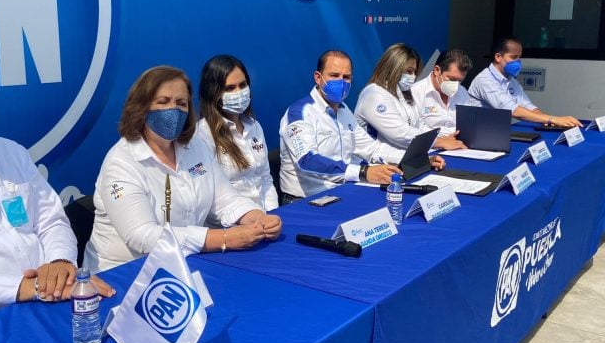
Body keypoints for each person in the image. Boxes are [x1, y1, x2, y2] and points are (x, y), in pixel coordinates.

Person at [0, 42, 114, 320]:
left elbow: (52, 219)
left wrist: (59, 263)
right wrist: (26, 287)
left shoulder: (11, 152)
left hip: (49, 302)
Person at [84, 65, 282, 272]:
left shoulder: (195, 146)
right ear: (141, 107)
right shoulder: (121, 162)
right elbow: (141, 236)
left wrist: (257, 217)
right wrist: (223, 238)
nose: (173, 110)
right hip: (124, 273)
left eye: (181, 103)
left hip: (185, 265)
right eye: (163, 102)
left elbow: (224, 198)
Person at [279, 50, 445, 202]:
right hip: (305, 200)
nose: (341, 82)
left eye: (346, 77)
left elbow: (372, 149)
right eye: (334, 75)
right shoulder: (299, 113)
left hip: (342, 192)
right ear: (318, 77)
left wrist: (415, 160)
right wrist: (364, 172)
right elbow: (307, 161)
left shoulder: (344, 112)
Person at [196, 55, 278, 220]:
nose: (238, 93)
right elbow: (209, 196)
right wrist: (246, 220)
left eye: (242, 85)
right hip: (231, 226)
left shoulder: (254, 126)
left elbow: (265, 177)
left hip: (266, 218)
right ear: (214, 93)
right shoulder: (202, 135)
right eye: (230, 88)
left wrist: (272, 214)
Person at [355, 43, 466, 150]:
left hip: (401, 158)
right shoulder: (374, 94)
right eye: (409, 71)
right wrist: (438, 142)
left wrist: (441, 138)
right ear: (393, 67)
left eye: (414, 72)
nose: (413, 76)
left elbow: (418, 125)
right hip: (375, 163)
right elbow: (400, 132)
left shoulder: (404, 93)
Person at [468, 36, 582, 128]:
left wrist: (550, 122)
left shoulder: (510, 79)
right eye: (513, 57)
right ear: (498, 57)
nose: (518, 61)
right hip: (480, 134)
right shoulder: (485, 80)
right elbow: (512, 110)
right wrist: (553, 119)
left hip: (498, 132)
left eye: (519, 57)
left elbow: (527, 106)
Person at [412, 49, 479, 137]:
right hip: (430, 145)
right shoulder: (415, 92)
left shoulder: (462, 92)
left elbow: (470, 123)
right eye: (452, 79)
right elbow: (414, 128)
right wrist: (443, 139)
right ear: (437, 70)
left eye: (460, 81)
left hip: (459, 144)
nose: (456, 85)